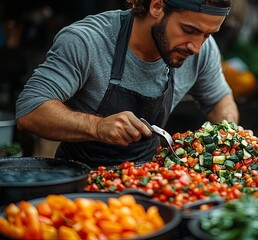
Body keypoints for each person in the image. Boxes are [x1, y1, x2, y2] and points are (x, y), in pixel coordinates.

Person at [15, 0, 239, 167]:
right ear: (157, 6)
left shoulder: (201, 51)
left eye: (208, 35)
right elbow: (30, 111)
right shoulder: (87, 41)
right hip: (82, 183)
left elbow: (219, 101)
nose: (197, 47)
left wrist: (227, 139)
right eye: (189, 30)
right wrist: (97, 127)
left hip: (149, 181)